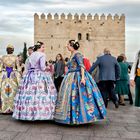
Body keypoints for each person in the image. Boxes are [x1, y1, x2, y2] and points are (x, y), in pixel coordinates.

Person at [54, 40, 106, 125]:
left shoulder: (78, 54)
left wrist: (82, 78)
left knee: (79, 95)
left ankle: (79, 117)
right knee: (72, 96)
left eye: (68, 45)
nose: (66, 46)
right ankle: (71, 117)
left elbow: (82, 66)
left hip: (77, 76)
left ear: (72, 46)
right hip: (70, 76)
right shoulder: (72, 54)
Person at [12, 41, 57, 120]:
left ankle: (27, 114)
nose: (44, 48)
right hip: (39, 75)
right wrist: (48, 67)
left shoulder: (31, 55)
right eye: (43, 47)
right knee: (42, 93)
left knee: (28, 94)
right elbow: (42, 67)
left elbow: (28, 67)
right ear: (39, 48)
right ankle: (42, 114)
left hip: (30, 75)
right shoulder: (42, 55)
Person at [0, 44, 21, 114]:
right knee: (13, 91)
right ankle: (13, 108)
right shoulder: (16, 57)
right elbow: (18, 68)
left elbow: (0, 68)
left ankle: (5, 108)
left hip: (5, 75)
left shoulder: (3, 57)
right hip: (13, 76)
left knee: (4, 91)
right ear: (13, 50)